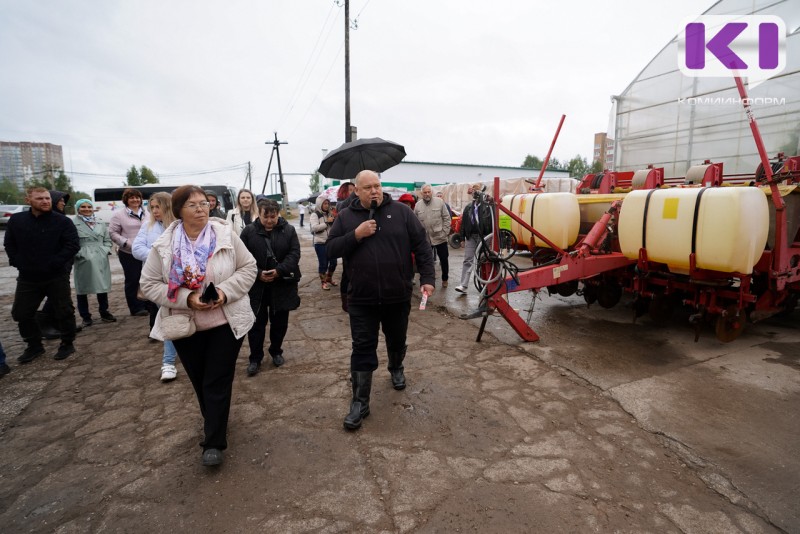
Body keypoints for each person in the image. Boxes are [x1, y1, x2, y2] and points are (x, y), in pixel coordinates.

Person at [139, 185, 257, 467]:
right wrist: (187, 298)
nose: (201, 209)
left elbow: (248, 267)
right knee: (200, 380)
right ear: (178, 210)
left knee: (217, 379)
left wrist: (224, 292)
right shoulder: (164, 245)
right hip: (184, 324)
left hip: (225, 322)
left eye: (204, 203)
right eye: (193, 205)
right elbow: (149, 284)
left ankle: (214, 442)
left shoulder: (225, 235)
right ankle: (214, 421)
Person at [327, 170, 435, 431]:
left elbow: (421, 245)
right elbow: (331, 249)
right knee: (363, 347)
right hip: (361, 298)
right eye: (367, 187)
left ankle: (396, 366)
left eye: (377, 185)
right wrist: (356, 234)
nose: (374, 191)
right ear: (356, 191)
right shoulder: (345, 217)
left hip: (396, 295)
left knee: (396, 338)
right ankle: (359, 402)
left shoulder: (401, 213)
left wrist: (427, 278)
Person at [4, 186, 80, 363]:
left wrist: (54, 262)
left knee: (64, 310)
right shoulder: (17, 221)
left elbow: (72, 245)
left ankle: (67, 343)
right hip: (28, 277)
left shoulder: (62, 221)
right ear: (28, 200)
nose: (45, 201)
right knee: (21, 313)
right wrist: (18, 261)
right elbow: (10, 244)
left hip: (55, 275)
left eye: (47, 198)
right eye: (40, 199)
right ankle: (34, 346)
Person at [240, 199, 301, 376]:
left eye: (273, 217)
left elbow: (294, 253)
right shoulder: (249, 231)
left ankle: (276, 351)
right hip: (257, 286)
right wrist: (258, 272)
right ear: (258, 214)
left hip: (282, 284)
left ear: (278, 214)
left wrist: (279, 270)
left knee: (279, 323)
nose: (269, 221)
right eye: (265, 217)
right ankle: (255, 358)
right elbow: (242, 257)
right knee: (256, 325)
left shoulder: (288, 230)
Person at [132, 192, 180, 382]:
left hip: (178, 279)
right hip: (158, 281)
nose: (154, 211)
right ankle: (168, 362)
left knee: (178, 318)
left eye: (157, 207)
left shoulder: (178, 225)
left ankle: (178, 357)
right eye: (152, 207)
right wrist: (160, 257)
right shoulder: (148, 225)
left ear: (167, 206)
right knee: (167, 318)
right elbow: (136, 249)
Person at [72, 199, 117, 327]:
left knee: (101, 286)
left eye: (89, 207)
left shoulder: (100, 222)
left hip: (100, 256)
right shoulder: (73, 224)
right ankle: (85, 316)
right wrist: (80, 253)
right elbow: (70, 241)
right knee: (82, 288)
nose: (86, 209)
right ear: (78, 209)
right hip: (83, 258)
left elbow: (108, 240)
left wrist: (104, 250)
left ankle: (104, 312)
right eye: (83, 207)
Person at [109, 188, 149, 316]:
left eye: (137, 197)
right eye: (132, 197)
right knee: (133, 279)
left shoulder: (147, 213)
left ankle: (148, 304)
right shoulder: (119, 215)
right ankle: (136, 307)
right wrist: (126, 243)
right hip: (128, 253)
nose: (135, 200)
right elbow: (112, 233)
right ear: (126, 200)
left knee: (147, 278)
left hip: (146, 252)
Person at [455, 183, 493, 295]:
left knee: (483, 260)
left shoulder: (487, 206)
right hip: (471, 236)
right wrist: (462, 238)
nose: (475, 194)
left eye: (477, 191)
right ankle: (463, 285)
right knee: (468, 260)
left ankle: (484, 285)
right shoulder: (468, 207)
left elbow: (493, 221)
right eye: (474, 192)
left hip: (484, 236)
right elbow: (463, 223)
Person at [414, 184, 452, 288]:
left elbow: (447, 218)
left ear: (432, 192)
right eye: (425, 192)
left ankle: (445, 279)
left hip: (440, 236)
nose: (427, 194)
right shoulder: (418, 205)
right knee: (426, 260)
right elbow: (415, 222)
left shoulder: (439, 202)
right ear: (421, 193)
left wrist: (445, 232)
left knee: (444, 259)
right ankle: (428, 280)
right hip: (425, 238)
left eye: (428, 192)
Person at [335, 183, 357, 312]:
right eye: (351, 190)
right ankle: (345, 302)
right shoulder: (340, 204)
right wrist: (357, 191)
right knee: (347, 273)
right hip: (347, 242)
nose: (353, 192)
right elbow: (344, 206)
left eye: (354, 190)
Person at [309, 196, 337, 290]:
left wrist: (334, 219)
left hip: (331, 242)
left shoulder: (329, 213)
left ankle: (329, 278)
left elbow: (333, 227)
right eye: (324, 203)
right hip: (320, 243)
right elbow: (314, 228)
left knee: (334, 262)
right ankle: (323, 282)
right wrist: (326, 222)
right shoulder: (315, 215)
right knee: (323, 264)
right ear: (319, 204)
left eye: (327, 203)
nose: (327, 205)